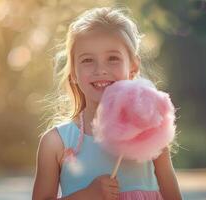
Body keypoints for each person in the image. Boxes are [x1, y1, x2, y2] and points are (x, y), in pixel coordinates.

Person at [32, 7, 182, 200]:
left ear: (133, 67)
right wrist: (88, 195)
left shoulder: (149, 130)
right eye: (87, 60)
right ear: (73, 73)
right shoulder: (56, 143)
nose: (100, 69)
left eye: (113, 58)